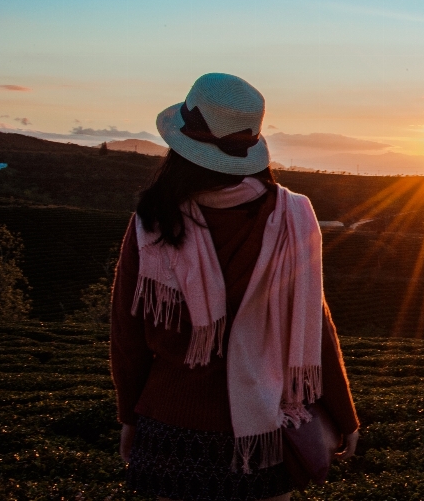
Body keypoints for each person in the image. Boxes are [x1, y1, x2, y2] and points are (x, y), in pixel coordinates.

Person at [110, 73, 359, 501]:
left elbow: (127, 337)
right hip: (262, 436)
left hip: (168, 429)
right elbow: (314, 329)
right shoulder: (293, 218)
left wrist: (130, 417)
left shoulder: (151, 222)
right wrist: (344, 416)